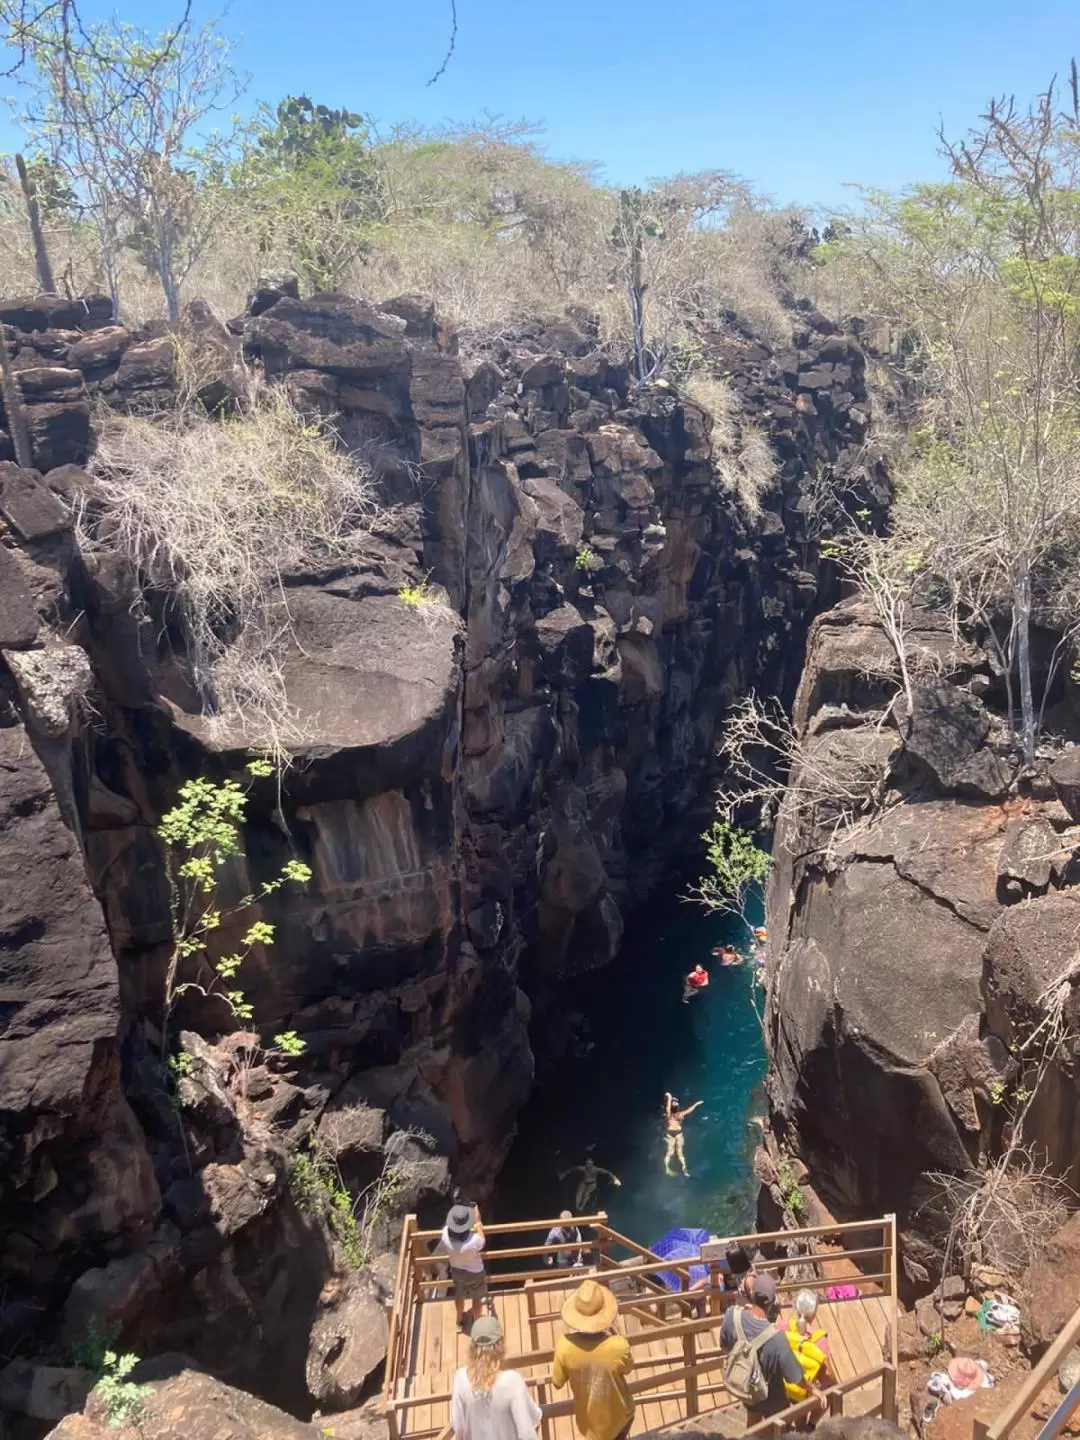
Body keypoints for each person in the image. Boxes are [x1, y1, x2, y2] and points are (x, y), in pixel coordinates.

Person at [720, 1273, 817, 1423]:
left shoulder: (732, 1315)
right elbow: (796, 1377)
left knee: (753, 1416)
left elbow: (725, 1348)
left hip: (745, 1385)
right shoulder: (776, 1338)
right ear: (772, 1302)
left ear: (752, 1294)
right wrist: (815, 1390)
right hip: (771, 1398)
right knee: (781, 1424)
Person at [551, 1279, 634, 1440]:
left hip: (589, 1422)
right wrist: (618, 1334)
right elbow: (628, 1367)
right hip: (619, 1418)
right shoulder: (618, 1345)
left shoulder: (564, 1346)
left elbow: (557, 1382)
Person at [451, 1313, 542, 1440]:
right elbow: (527, 1433)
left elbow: (458, 1428)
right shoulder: (512, 1381)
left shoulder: (460, 1378)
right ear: (501, 1345)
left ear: (472, 1347)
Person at [439, 1203, 488, 1333]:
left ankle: (459, 1321)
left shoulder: (444, 1234)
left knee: (459, 1294)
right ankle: (477, 1323)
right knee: (476, 1298)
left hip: (456, 1270)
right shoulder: (475, 1241)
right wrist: (477, 1221)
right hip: (475, 1273)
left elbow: (461, 1232)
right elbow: (481, 1237)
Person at [783, 1289, 832, 1403]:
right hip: (805, 1390)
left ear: (796, 1308)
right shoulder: (819, 1339)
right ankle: (811, 1421)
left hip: (783, 1384)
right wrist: (836, 1384)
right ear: (814, 1313)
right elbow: (828, 1373)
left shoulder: (784, 1326)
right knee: (830, 1393)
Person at [663, 1091, 703, 1177]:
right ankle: (684, 1169)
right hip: (678, 1133)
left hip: (670, 1133)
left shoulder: (668, 1115)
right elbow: (689, 1110)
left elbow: (668, 1107)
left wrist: (669, 1097)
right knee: (680, 1152)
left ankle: (667, 1168)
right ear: (678, 1107)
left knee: (669, 1152)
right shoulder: (681, 1115)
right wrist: (696, 1104)